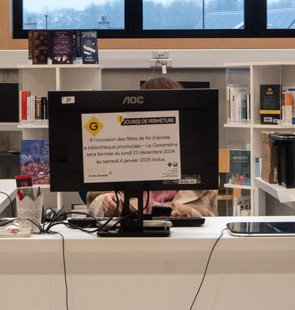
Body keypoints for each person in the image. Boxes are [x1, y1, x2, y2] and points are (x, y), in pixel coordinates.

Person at [86, 76, 218, 219]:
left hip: (179, 230)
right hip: (130, 227)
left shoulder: (197, 157)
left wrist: (184, 213)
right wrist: (107, 203)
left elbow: (208, 210)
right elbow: (95, 200)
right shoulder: (120, 150)